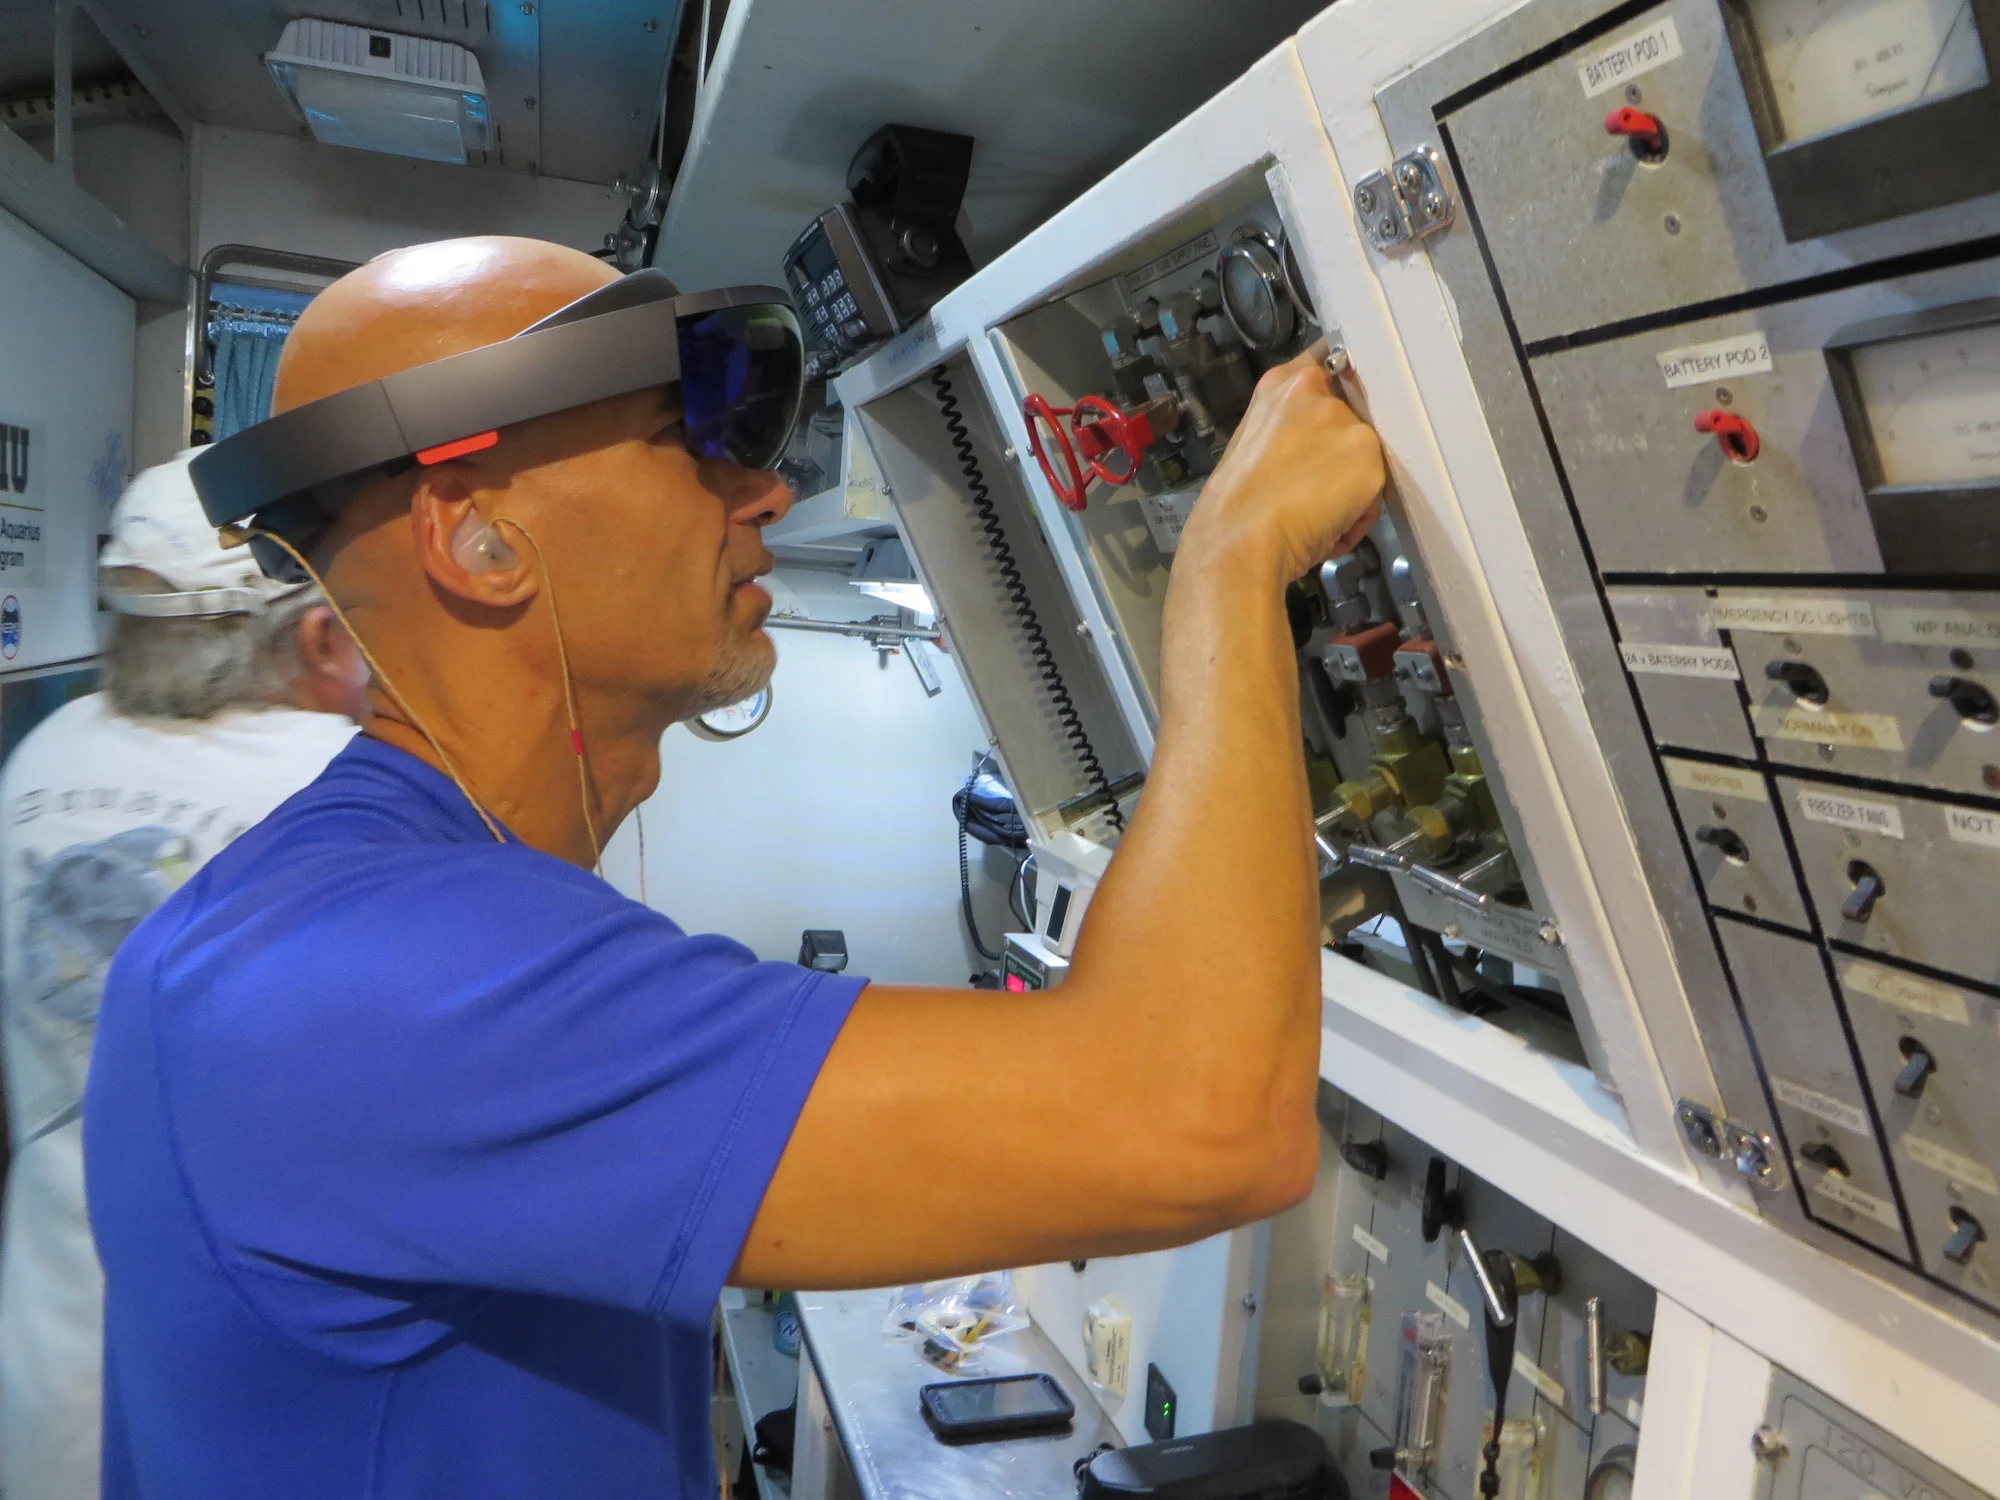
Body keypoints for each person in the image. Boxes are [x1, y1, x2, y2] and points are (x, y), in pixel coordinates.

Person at [84, 237, 1384, 1499]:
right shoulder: (382, 981)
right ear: (477, 542)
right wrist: (1230, 570)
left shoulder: (358, 914)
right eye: (690, 443)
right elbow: (1196, 1120)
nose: (763, 492)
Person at [0, 451, 369, 1499]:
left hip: (49, 1368)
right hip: (248, 1400)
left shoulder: (43, 757)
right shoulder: (339, 791)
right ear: (314, 631)